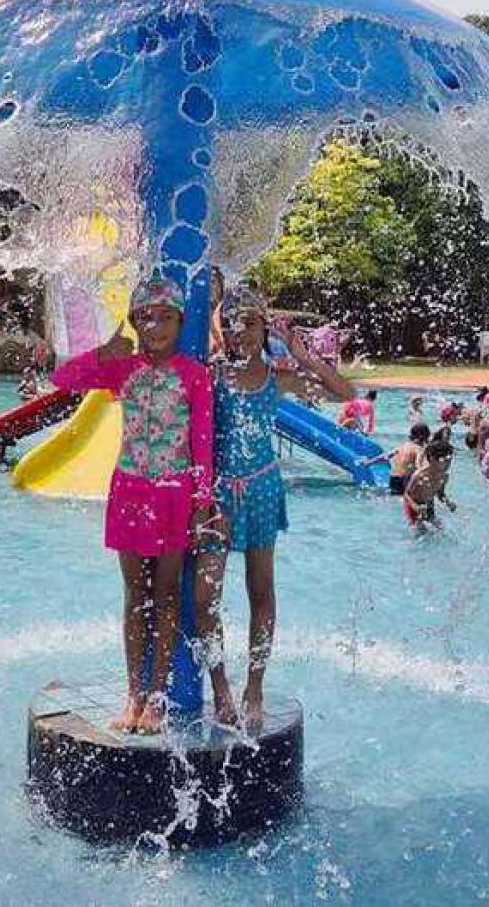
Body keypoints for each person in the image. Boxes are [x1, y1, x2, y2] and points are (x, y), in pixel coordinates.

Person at [51, 275, 213, 735]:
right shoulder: (123, 368)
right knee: (134, 595)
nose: (155, 327)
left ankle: (158, 694)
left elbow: (202, 444)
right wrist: (104, 353)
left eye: (165, 318)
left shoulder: (194, 375)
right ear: (135, 323)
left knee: (167, 594)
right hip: (129, 492)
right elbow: (61, 379)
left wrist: (202, 501)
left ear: (180, 322)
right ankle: (133, 694)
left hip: (174, 494)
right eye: (146, 318)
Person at [194, 288, 354, 729]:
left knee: (261, 592)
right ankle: (220, 686)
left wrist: (301, 354)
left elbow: (345, 392)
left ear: (264, 328)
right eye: (232, 324)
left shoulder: (277, 378)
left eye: (249, 322)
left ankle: (254, 686)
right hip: (218, 495)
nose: (240, 331)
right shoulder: (213, 375)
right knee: (204, 599)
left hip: (262, 490)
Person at [404, 438, 457, 531]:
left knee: (441, 529)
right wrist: (416, 507)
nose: (448, 464)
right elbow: (406, 495)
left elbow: (440, 494)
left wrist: (448, 503)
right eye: (445, 461)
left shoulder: (444, 477)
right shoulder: (419, 475)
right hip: (414, 506)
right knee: (420, 531)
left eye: (450, 461)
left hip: (429, 505)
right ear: (432, 459)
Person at [363, 422, 430, 495]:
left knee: (395, 496)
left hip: (393, 478)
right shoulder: (418, 449)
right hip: (405, 479)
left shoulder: (402, 446)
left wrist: (369, 462)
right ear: (423, 437)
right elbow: (418, 464)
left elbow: (385, 456)